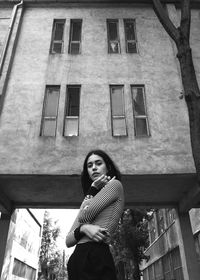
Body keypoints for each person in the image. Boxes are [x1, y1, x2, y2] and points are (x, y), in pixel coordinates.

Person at [66, 149, 125, 280]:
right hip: (77, 260)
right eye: (90, 165)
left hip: (96, 258)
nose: (94, 168)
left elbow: (84, 216)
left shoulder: (115, 185)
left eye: (98, 163)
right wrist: (84, 229)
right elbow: (68, 240)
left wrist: (92, 189)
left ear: (108, 167)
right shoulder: (91, 198)